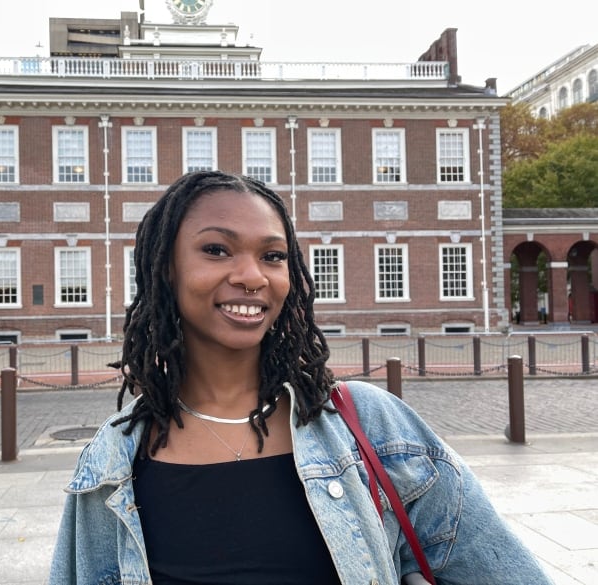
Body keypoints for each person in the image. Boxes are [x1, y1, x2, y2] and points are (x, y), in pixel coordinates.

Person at [49, 170, 554, 584]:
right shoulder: (111, 461)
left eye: (273, 256)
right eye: (217, 250)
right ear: (166, 270)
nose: (253, 275)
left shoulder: (376, 430)